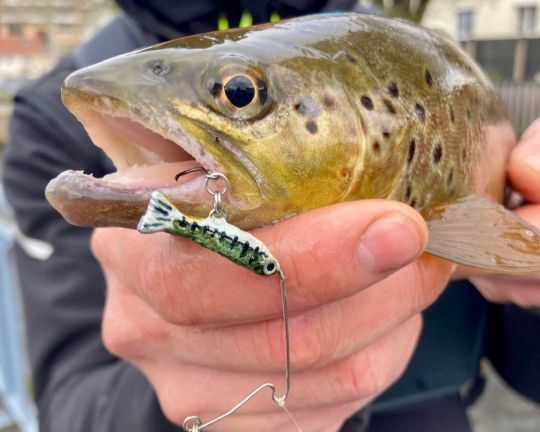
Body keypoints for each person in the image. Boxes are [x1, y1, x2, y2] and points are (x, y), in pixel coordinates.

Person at [2, 1, 540, 431]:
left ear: (392, 139)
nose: (238, 96)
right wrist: (186, 407)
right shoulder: (47, 124)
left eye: (240, 95)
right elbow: (67, 408)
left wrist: (528, 293)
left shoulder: (385, 41)